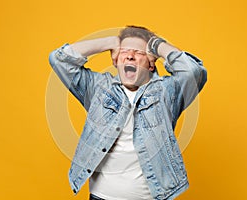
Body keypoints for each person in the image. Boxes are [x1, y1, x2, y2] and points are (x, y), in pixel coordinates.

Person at [49, 25, 207, 200]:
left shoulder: (166, 93)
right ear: (116, 60)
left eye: (139, 52)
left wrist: (156, 45)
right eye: (124, 50)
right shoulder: (98, 88)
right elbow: (59, 59)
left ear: (151, 64)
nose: (130, 55)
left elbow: (194, 72)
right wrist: (110, 42)